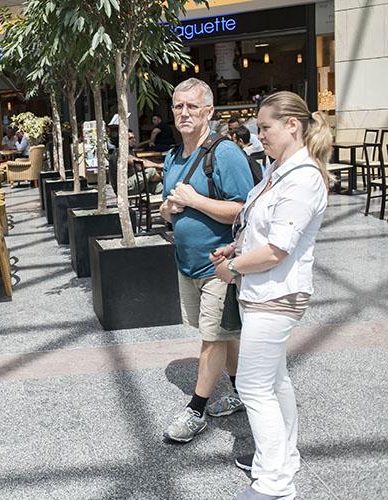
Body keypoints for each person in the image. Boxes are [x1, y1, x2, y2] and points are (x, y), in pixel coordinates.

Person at [211, 92, 332, 500]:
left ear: (292, 125)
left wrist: (234, 267)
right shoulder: (278, 169)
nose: (258, 135)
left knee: (253, 386)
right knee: (274, 380)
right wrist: (236, 248)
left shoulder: (302, 178)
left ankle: (275, 484)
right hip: (264, 291)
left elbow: (278, 249)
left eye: (265, 127)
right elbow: (261, 228)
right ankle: (281, 458)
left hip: (276, 295)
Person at [159, 78, 255, 443]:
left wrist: (195, 200)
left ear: (209, 111)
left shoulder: (225, 153)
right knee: (224, 333)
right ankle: (242, 391)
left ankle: (195, 410)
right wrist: (169, 208)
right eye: (178, 106)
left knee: (213, 337)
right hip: (186, 263)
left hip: (219, 265)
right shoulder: (172, 157)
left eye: (192, 106)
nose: (184, 112)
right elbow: (168, 208)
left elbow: (245, 209)